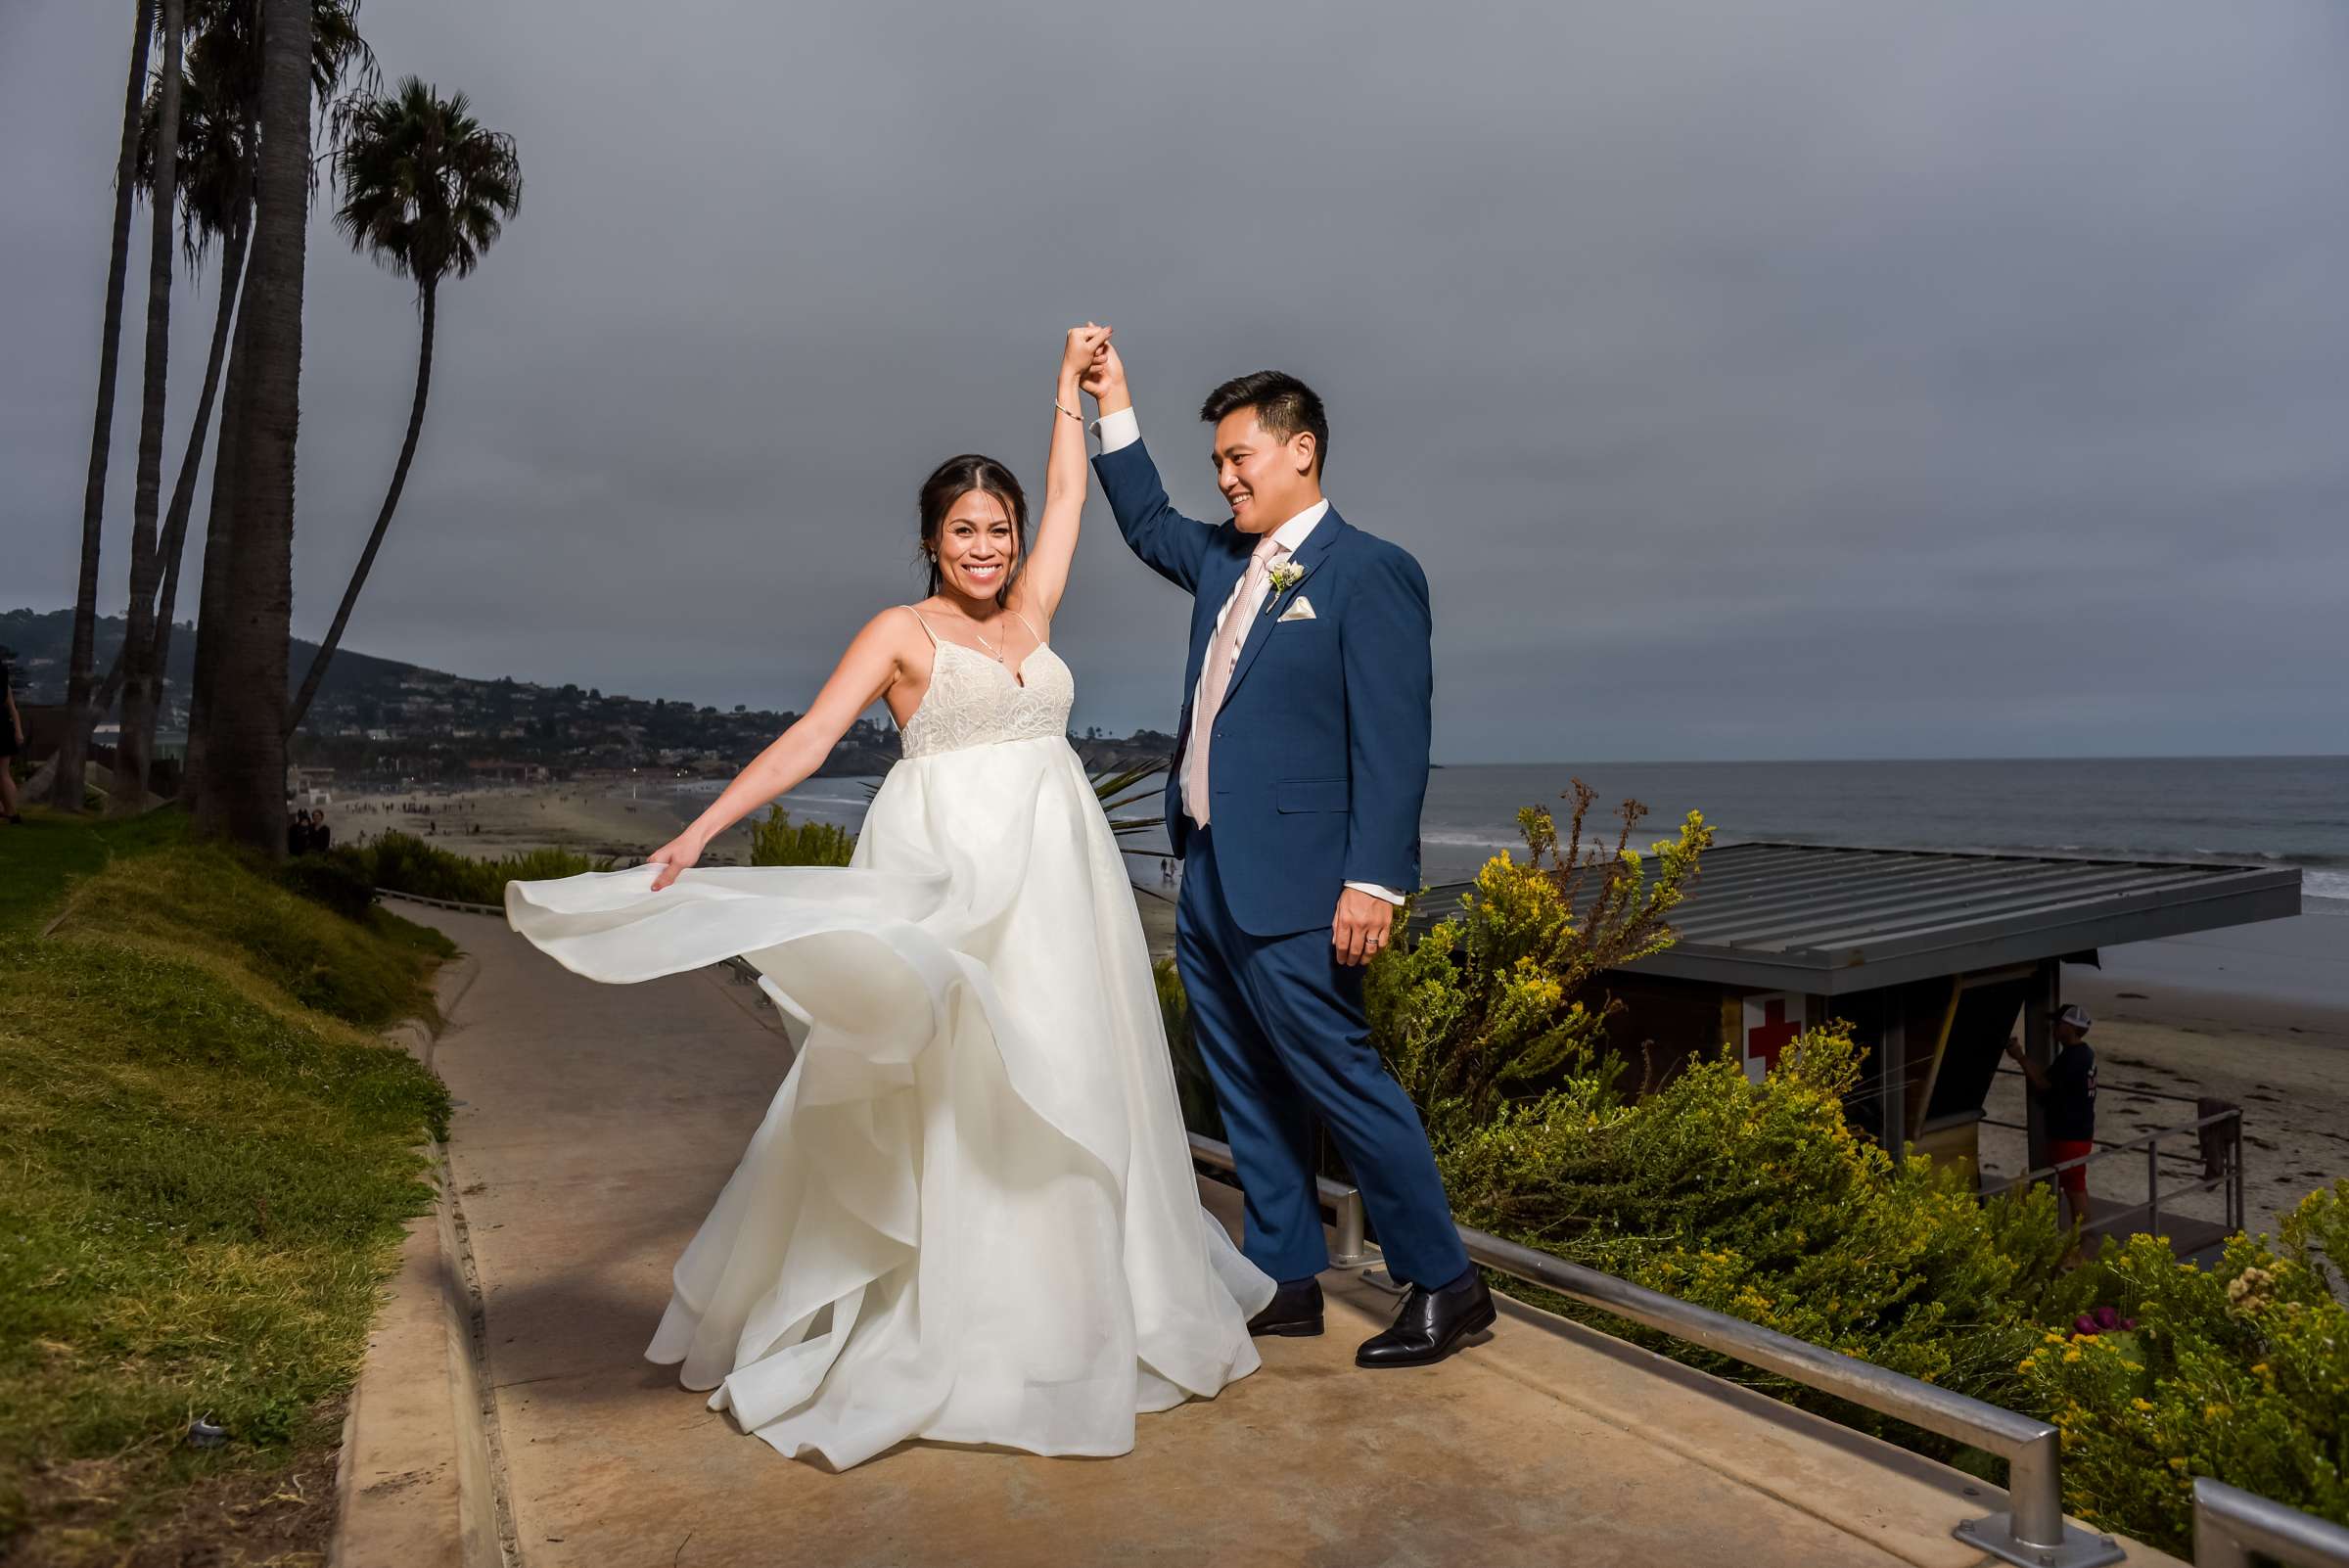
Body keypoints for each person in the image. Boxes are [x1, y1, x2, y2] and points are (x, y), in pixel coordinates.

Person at [503, 326, 1271, 1472]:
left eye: (998, 528)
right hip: (949, 878)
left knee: (1068, 1071)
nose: (986, 544)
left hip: (1060, 889)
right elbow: (814, 738)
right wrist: (703, 829)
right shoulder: (898, 633)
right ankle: (948, 1315)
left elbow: (1069, 489)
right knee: (949, 1087)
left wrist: (1074, 388)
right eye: (964, 529)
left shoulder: (1036, 613)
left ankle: (1083, 1307)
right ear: (930, 540)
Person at [1080, 344, 1492, 1368]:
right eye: (1217, 462)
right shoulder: (1222, 558)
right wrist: (1113, 403)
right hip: (1211, 870)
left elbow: (1392, 743)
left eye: (1240, 457)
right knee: (1243, 1083)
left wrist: (1376, 880)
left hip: (1310, 887)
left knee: (1342, 1078)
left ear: (1301, 451)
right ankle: (1286, 1277)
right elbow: (1142, 519)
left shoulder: (1371, 572)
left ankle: (1448, 1282)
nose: (1225, 479)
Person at [2006, 1003, 2098, 1231]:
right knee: (2074, 1187)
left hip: (2069, 1135)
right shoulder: (2084, 1054)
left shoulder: (2073, 1058)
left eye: (2057, 1023)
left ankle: (2081, 1246)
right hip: (2078, 1131)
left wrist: (2019, 1056)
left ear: (2068, 1026)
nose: (2053, 1028)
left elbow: (2042, 1083)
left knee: (2075, 1190)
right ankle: (2074, 1241)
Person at [0, 646, 23, 825]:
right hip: (3, 726)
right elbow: (12, 708)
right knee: (3, 773)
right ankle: (12, 813)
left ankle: (8, 811)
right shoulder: (3, 678)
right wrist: (18, 730)